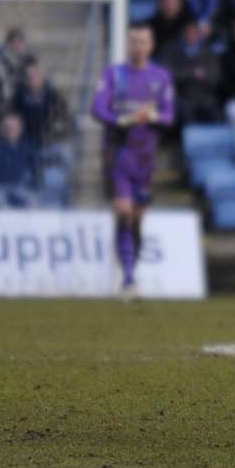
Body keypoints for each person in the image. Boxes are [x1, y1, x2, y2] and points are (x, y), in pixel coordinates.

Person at [91, 24, 175, 295]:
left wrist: (153, 117)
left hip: (146, 157)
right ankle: (127, 279)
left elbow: (169, 115)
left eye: (143, 41)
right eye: (133, 41)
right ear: (128, 45)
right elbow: (97, 107)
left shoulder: (161, 77)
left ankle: (131, 272)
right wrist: (121, 120)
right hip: (119, 153)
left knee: (137, 219)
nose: (138, 46)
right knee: (124, 212)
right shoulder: (114, 75)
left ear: (151, 45)